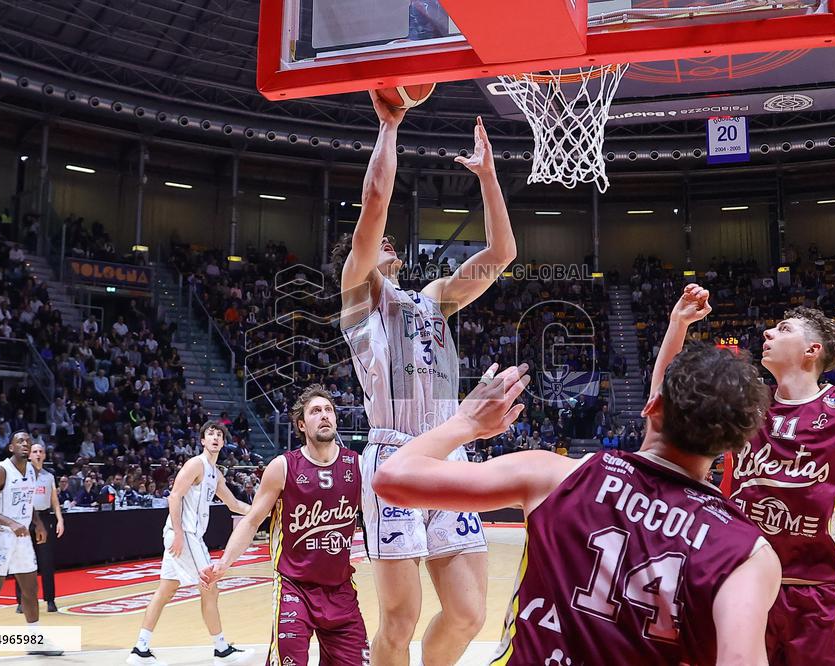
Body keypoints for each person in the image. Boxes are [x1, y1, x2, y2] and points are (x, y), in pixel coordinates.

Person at [373, 351, 780, 664]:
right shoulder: (747, 553)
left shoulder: (555, 475)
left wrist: (465, 423)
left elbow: (392, 478)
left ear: (652, 407)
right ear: (735, 445)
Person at [333, 92, 517, 665]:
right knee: (400, 619)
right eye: (377, 243)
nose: (386, 242)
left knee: (467, 613)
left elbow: (501, 251)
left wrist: (488, 176)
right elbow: (375, 199)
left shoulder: (433, 299)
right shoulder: (360, 300)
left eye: (390, 242)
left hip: (448, 456)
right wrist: (389, 125)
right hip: (394, 457)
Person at [654, 285, 835, 666]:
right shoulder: (745, 405)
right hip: (744, 591)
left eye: (783, 328)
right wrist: (678, 324)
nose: (767, 333)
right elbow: (664, 401)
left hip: (818, 597)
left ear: (813, 350)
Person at [200, 386, 369, 666]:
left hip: (341, 590)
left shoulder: (358, 465)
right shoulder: (283, 467)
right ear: (301, 424)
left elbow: (377, 520)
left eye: (329, 410)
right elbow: (253, 520)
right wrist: (224, 564)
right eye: (316, 411)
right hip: (295, 588)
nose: (324, 416)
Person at [126, 421, 251, 666]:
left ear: (223, 442)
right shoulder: (196, 464)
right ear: (203, 440)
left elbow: (234, 504)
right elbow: (174, 496)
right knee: (210, 587)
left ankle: (140, 649)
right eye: (210, 434)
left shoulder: (216, 473)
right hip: (185, 535)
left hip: (186, 535)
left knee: (166, 590)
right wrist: (180, 533)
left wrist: (262, 511)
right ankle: (221, 649)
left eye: (219, 435)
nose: (215, 438)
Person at [0, 432, 63, 666]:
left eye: (28, 441)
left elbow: (28, 503)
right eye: (20, 441)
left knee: (30, 589)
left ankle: (35, 640)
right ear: (10, 447)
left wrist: (37, 523)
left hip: (22, 536)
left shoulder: (33, 471)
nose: (25, 444)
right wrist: (11, 523)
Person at [15, 443, 65, 614]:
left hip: (44, 518)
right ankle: (21, 601)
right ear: (29, 455)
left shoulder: (49, 476)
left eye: (40, 452)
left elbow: (54, 502)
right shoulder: (20, 473)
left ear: (44, 455)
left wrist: (60, 520)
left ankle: (50, 600)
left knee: (46, 561)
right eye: (34, 451)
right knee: (23, 560)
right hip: (24, 517)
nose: (37, 454)